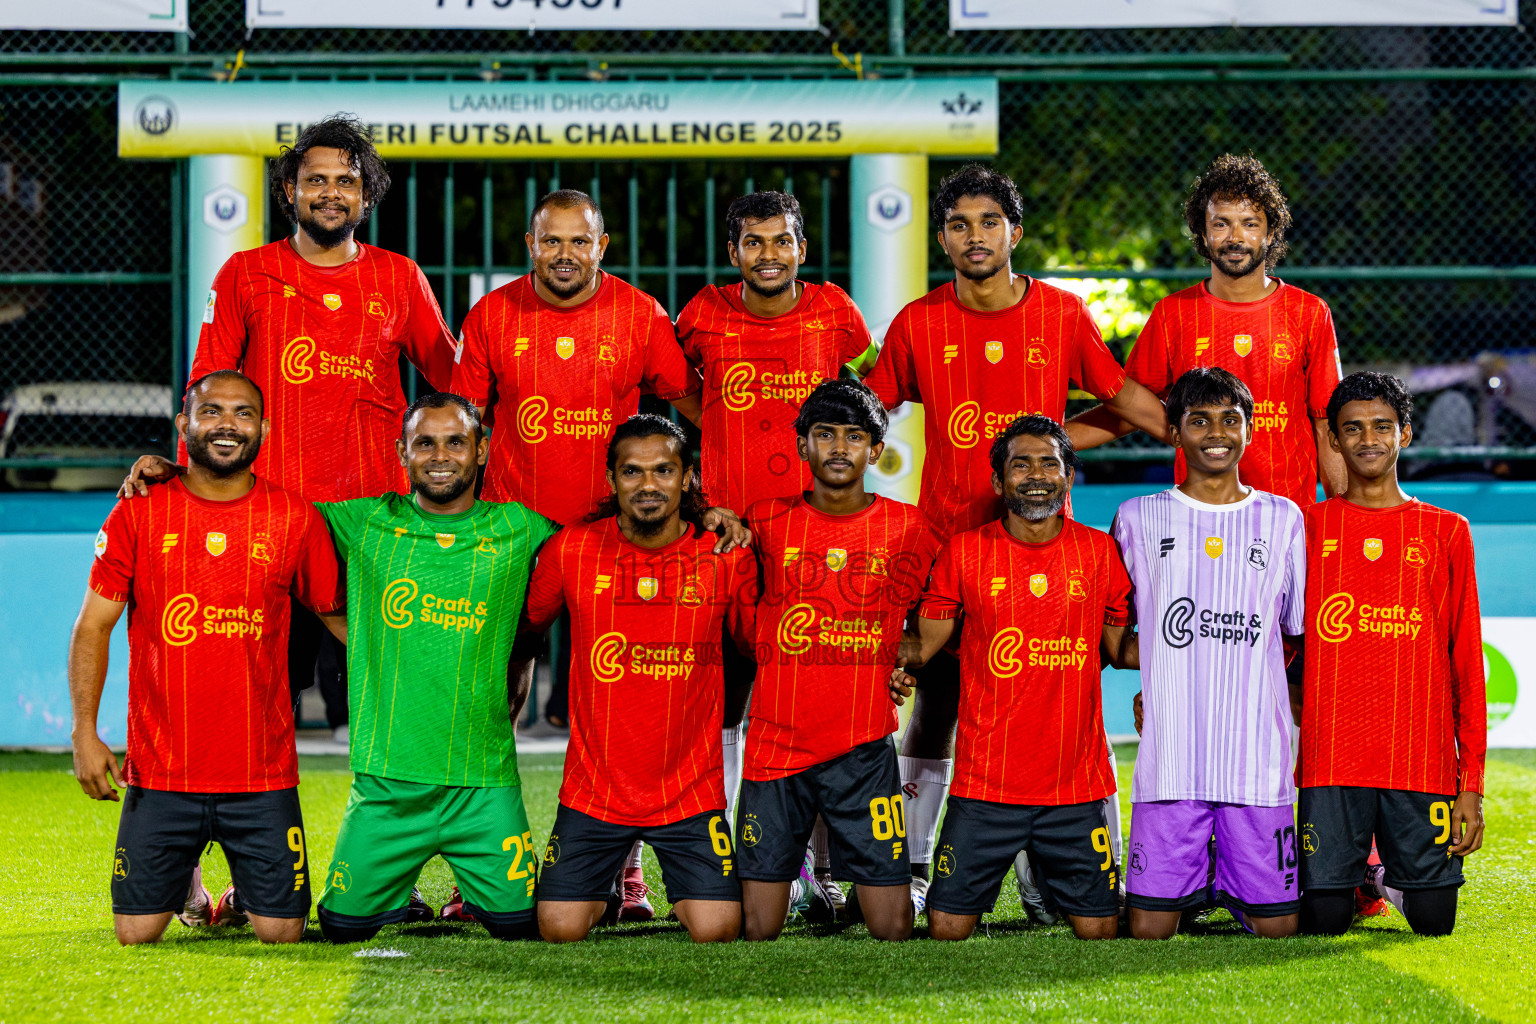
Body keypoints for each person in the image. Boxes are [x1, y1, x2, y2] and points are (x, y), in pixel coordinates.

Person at [862, 163, 1168, 912]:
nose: (975, 236)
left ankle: (1052, 879)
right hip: (945, 547)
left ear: (1014, 233)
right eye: (960, 224)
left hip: (1045, 550)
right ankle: (910, 870)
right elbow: (865, 412)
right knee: (934, 711)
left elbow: (1123, 403)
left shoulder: (1061, 316)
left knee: (1055, 704)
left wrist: (1197, 441)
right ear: (942, 238)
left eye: (988, 222)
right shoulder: (917, 323)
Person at [452, 189, 712, 921]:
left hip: (618, 539)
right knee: (488, 709)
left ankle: (626, 879)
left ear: (603, 246)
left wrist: (706, 493)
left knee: (630, 704)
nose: (565, 254)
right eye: (551, 241)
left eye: (580, 241)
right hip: (516, 543)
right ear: (531, 245)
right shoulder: (492, 316)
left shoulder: (641, 315)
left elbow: (691, 408)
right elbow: (464, 431)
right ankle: (483, 878)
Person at [184, 112, 460, 755]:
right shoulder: (244, 275)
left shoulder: (399, 276)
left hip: (372, 526)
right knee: (251, 702)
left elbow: (455, 383)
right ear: (290, 191)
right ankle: (219, 836)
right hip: (272, 519)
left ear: (366, 194)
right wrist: (192, 491)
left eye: (346, 180)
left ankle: (391, 849)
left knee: (396, 710)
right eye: (316, 180)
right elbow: (206, 391)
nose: (330, 192)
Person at [68, 370, 343, 945]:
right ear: (183, 426)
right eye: (211, 411)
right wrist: (85, 733)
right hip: (163, 773)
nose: (227, 425)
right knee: (135, 934)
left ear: (264, 427)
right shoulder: (138, 512)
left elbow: (338, 619)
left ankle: (243, 889)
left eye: (243, 414)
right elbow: (93, 626)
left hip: (261, 775)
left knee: (282, 932)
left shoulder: (294, 517)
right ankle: (188, 887)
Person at [676, 190, 879, 906]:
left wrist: (844, 482)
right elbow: (677, 389)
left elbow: (870, 391)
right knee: (724, 700)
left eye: (782, 241)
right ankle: (733, 854)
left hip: (812, 537)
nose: (769, 255)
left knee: (817, 699)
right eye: (753, 242)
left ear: (802, 247)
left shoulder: (835, 312)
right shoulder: (701, 314)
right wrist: (706, 477)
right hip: (729, 537)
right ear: (733, 252)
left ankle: (823, 866)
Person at [314, 393, 557, 943]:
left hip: (483, 785)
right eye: (425, 442)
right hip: (388, 786)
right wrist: (174, 472)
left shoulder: (523, 527)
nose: (440, 455)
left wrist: (701, 511)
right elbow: (263, 511)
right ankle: (398, 890)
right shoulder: (364, 522)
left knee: (523, 927)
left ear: (483, 450)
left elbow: (611, 541)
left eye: (456, 441)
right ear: (402, 452)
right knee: (340, 926)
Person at [890, 415, 1134, 941]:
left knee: (1101, 930)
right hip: (985, 791)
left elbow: (1119, 650)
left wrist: (1208, 640)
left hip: (1074, 793)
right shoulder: (964, 551)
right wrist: (853, 644)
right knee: (947, 927)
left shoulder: (1098, 553)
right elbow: (923, 646)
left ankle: (1044, 885)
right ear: (999, 482)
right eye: (1020, 464)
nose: (1037, 475)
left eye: (1050, 462)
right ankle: (1027, 883)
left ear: (1069, 476)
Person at [521, 415, 753, 943]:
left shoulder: (724, 556)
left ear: (687, 477)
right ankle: (604, 883)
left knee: (717, 930)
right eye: (632, 472)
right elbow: (523, 634)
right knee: (559, 929)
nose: (648, 485)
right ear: (611, 480)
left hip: (689, 796)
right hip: (593, 795)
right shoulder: (572, 550)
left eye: (663, 471)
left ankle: (642, 878)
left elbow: (757, 644)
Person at [1111, 367, 1306, 939]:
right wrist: (1165, 679)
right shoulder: (1137, 518)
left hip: (1256, 761)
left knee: (1279, 933)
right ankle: (1200, 882)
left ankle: (1225, 880)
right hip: (1171, 760)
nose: (1215, 433)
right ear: (1174, 432)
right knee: (1148, 931)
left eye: (1230, 420)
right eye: (1199, 420)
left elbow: (1288, 630)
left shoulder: (1284, 518)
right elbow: (1121, 632)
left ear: (1250, 431)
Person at [736, 380, 934, 941]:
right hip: (776, 745)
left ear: (876, 450)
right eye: (825, 435)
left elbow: (939, 609)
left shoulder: (911, 528)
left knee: (892, 928)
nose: (840, 448)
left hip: (864, 746)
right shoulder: (764, 522)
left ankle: (844, 879)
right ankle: (803, 877)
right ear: (802, 445)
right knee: (756, 929)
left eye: (855, 436)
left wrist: (909, 657)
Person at [1296, 372, 1485, 936]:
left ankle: (1377, 876)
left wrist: (1469, 784)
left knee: (1433, 922)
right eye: (1352, 428)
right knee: (1324, 921)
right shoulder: (1306, 526)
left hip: (1418, 760)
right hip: (1331, 761)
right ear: (1332, 439)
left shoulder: (1447, 530)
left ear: (1405, 433)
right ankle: (1351, 878)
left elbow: (1467, 664)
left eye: (1382, 426)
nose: (1368, 439)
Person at [1069, 153, 1346, 507]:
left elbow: (1326, 427)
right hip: (1197, 511)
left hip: (1287, 511)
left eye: (1249, 223)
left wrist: (1343, 517)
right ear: (1202, 231)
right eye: (1221, 224)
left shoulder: (1309, 312)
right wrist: (1052, 437)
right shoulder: (1173, 314)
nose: (1235, 237)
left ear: (1271, 232)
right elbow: (1129, 409)